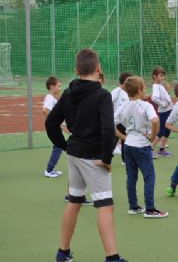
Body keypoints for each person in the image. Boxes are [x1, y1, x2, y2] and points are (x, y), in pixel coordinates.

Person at [45, 48, 126, 262]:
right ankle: (112, 257)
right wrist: (107, 158)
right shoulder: (102, 95)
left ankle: (63, 252)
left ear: (76, 70)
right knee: (105, 205)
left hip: (75, 153)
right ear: (98, 69)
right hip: (93, 157)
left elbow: (50, 123)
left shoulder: (68, 93)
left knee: (74, 201)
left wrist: (64, 145)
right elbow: (109, 129)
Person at [115, 76, 168, 218]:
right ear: (139, 90)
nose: (145, 90)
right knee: (149, 176)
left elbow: (111, 124)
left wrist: (124, 137)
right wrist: (153, 136)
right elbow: (155, 120)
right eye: (144, 88)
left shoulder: (123, 106)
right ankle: (150, 209)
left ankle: (133, 206)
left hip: (128, 145)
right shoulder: (145, 105)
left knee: (131, 177)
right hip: (142, 146)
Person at [43, 76, 64, 178]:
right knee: (59, 147)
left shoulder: (52, 97)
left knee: (58, 147)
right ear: (52, 87)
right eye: (58, 86)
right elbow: (45, 110)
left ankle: (51, 169)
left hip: (54, 127)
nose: (60, 88)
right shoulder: (50, 98)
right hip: (53, 127)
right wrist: (54, 121)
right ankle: (49, 170)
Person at [151, 66, 174, 157]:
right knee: (162, 131)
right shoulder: (156, 86)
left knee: (167, 130)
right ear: (155, 76)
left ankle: (162, 149)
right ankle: (150, 148)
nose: (163, 78)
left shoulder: (160, 85)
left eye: (163, 76)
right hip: (164, 111)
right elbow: (154, 98)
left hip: (168, 110)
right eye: (161, 76)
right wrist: (162, 104)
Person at [111, 72, 133, 162]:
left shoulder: (129, 92)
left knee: (125, 139)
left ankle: (125, 159)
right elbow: (109, 102)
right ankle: (105, 156)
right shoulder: (117, 91)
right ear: (125, 81)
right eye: (130, 80)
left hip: (126, 120)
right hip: (117, 121)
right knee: (113, 140)